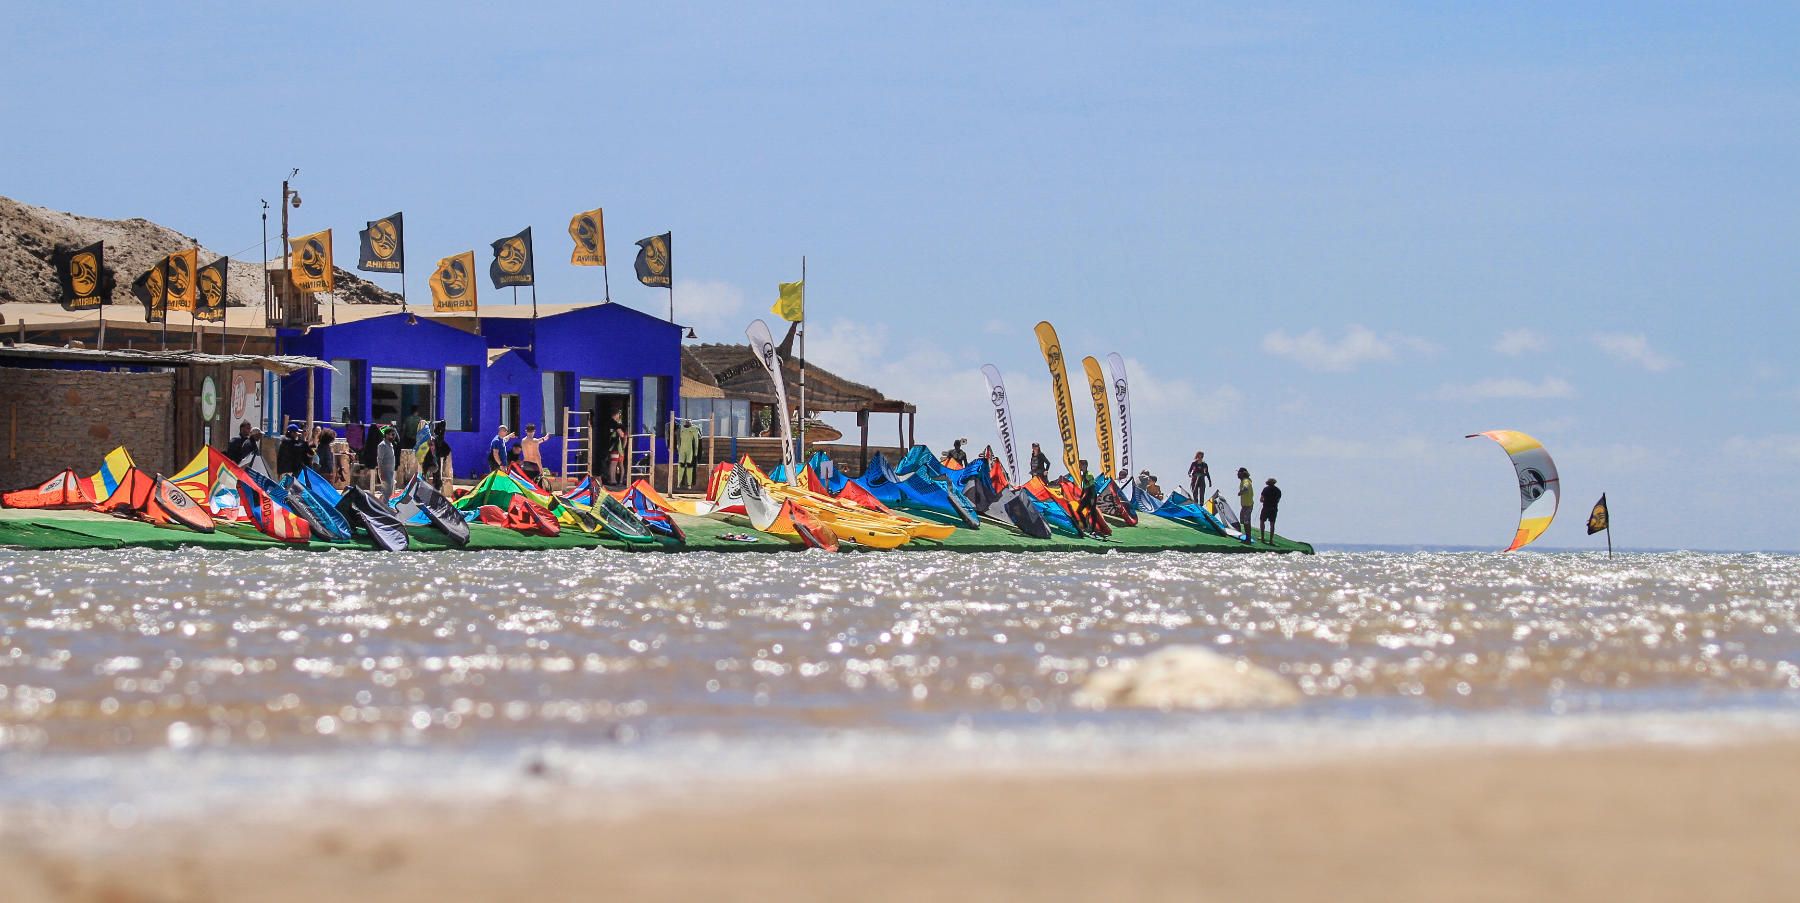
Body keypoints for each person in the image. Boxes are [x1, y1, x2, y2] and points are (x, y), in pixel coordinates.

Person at [676, 419, 702, 489]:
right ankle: (680, 482)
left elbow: (697, 441)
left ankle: (689, 484)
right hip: (683, 450)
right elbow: (678, 441)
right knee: (681, 466)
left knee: (689, 467)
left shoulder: (694, 429)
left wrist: (696, 453)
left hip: (689, 450)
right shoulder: (681, 429)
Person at [519, 423, 546, 489]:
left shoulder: (523, 441)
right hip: (534, 466)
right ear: (534, 431)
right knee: (536, 487)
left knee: (526, 486)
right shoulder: (535, 441)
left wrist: (543, 439)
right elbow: (537, 456)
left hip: (525, 465)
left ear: (526, 431)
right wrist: (541, 469)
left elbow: (531, 443)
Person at [376, 427, 398, 499]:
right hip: (385, 473)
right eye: (392, 434)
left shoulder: (390, 445)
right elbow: (379, 460)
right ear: (386, 435)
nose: (393, 436)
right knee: (387, 493)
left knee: (387, 492)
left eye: (394, 434)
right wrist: (381, 473)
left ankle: (380, 505)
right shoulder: (382, 445)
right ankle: (384, 507)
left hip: (390, 472)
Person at [1259, 478, 1282, 543]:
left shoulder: (1265, 489)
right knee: (1272, 524)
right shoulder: (1278, 490)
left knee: (1262, 521)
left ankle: (1262, 538)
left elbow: (1261, 499)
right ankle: (1271, 540)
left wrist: (1264, 500)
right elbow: (1278, 500)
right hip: (1274, 508)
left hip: (1266, 508)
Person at [1236, 467, 1254, 537]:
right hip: (1244, 505)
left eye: (1238, 473)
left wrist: (1241, 492)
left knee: (1246, 521)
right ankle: (1246, 536)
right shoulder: (1244, 480)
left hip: (1248, 505)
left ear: (1242, 474)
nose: (1237, 474)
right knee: (1242, 520)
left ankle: (1248, 538)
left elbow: (1246, 487)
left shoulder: (1246, 481)